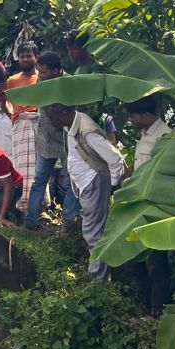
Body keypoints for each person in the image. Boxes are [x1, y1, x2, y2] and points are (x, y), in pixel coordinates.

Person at [46, 103, 125, 280]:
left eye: (52, 117)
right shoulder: (72, 125)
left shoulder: (87, 130)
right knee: (92, 230)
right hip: (85, 183)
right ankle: (98, 275)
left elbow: (115, 158)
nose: (50, 121)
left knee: (93, 232)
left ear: (64, 113)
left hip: (94, 181)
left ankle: (98, 280)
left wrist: (112, 185)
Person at [125, 95, 173, 314]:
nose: (131, 120)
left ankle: (157, 309)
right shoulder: (145, 134)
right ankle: (145, 304)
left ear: (146, 115)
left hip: (156, 207)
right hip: (139, 205)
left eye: (133, 116)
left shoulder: (165, 136)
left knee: (156, 260)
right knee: (137, 259)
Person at [24, 51, 78, 230]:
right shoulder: (41, 82)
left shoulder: (71, 84)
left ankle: (68, 224)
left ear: (56, 70)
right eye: (38, 71)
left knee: (72, 182)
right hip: (47, 137)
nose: (39, 75)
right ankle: (31, 221)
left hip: (68, 139)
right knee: (39, 180)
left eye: (43, 72)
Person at [4, 42, 39, 211]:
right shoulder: (12, 81)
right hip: (19, 125)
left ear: (36, 57)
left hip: (38, 124)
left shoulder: (42, 78)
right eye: (22, 56)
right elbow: (6, 101)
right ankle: (22, 204)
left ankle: (40, 204)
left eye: (29, 56)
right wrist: (14, 115)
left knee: (37, 166)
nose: (25, 59)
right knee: (20, 166)